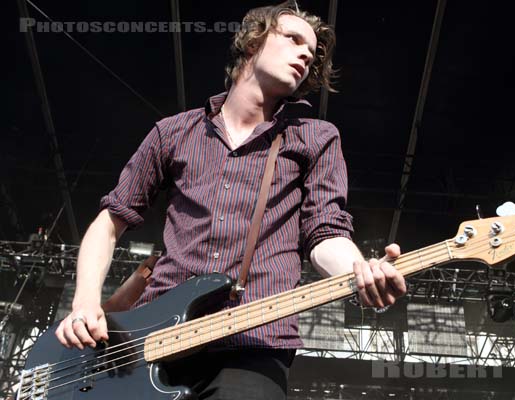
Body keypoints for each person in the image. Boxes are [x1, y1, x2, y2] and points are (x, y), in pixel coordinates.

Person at [55, 1, 406, 398]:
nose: (305, 55)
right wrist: (85, 303)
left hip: (252, 346)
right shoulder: (173, 132)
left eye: (311, 54)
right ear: (254, 40)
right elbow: (109, 222)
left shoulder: (316, 136)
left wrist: (360, 269)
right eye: (293, 39)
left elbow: (325, 233)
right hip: (151, 342)